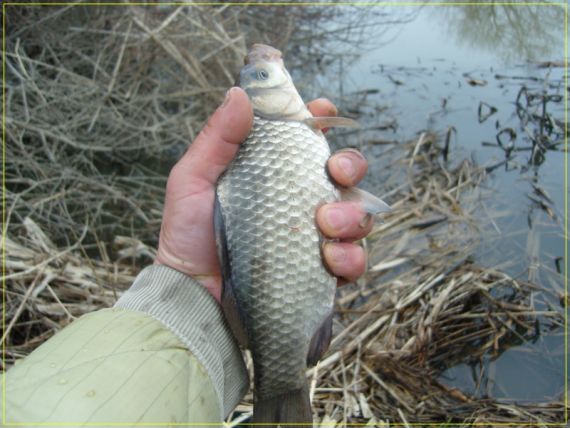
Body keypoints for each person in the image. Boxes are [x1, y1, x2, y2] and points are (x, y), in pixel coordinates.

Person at [2, 88, 374, 427]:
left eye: (263, 76)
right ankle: (280, 391)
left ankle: (277, 386)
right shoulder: (280, 129)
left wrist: (187, 298)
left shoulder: (281, 132)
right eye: (261, 77)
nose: (266, 69)